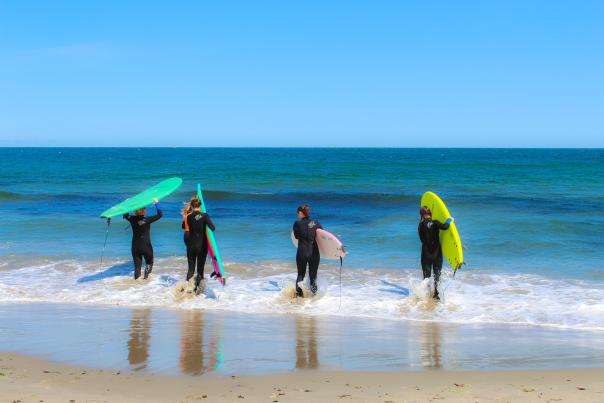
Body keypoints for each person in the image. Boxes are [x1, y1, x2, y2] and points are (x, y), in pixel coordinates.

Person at [418, 206, 452, 300]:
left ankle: (426, 296)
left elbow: (421, 239)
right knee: (437, 274)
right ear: (430, 213)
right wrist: (449, 220)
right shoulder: (436, 222)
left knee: (426, 277)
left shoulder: (420, 225)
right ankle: (436, 295)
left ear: (421, 215)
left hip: (426, 253)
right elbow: (445, 227)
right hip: (436, 253)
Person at [181, 195, 215, 292]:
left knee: (190, 269)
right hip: (201, 246)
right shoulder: (204, 215)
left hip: (190, 246)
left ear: (192, 205)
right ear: (200, 206)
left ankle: (188, 289)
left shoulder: (187, 217)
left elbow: (184, 226)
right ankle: (198, 291)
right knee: (200, 270)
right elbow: (213, 228)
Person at [123, 198, 162, 280]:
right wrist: (156, 204)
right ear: (144, 211)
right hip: (146, 246)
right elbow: (159, 215)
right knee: (149, 262)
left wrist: (127, 204)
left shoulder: (132, 219)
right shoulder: (147, 220)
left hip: (135, 246)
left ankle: (136, 282)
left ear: (135, 211)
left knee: (137, 267)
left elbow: (125, 215)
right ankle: (146, 278)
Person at [292, 204, 322, 297]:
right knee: (313, 278)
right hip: (314, 253)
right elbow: (322, 235)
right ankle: (313, 297)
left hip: (302, 253)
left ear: (301, 213)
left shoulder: (297, 224)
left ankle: (299, 297)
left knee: (300, 275)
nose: (297, 215)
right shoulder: (315, 223)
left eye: (298, 213)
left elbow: (296, 236)